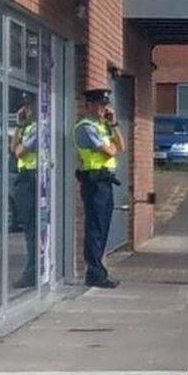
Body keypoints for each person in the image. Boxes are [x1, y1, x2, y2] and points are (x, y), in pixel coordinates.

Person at [73, 88, 126, 289]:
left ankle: (98, 271)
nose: (103, 109)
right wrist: (111, 146)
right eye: (98, 105)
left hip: (104, 182)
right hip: (94, 182)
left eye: (104, 105)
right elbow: (109, 150)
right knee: (95, 229)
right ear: (88, 105)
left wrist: (114, 124)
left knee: (102, 228)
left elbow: (120, 147)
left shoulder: (103, 126)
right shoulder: (85, 128)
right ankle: (94, 273)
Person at [10, 93, 38, 289]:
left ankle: (32, 273)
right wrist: (19, 125)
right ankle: (33, 271)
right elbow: (13, 148)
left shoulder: (38, 127)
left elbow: (19, 151)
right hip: (26, 178)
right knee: (29, 229)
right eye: (25, 106)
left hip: (32, 178)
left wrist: (21, 128)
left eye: (30, 106)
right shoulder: (27, 127)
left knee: (32, 230)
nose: (27, 110)